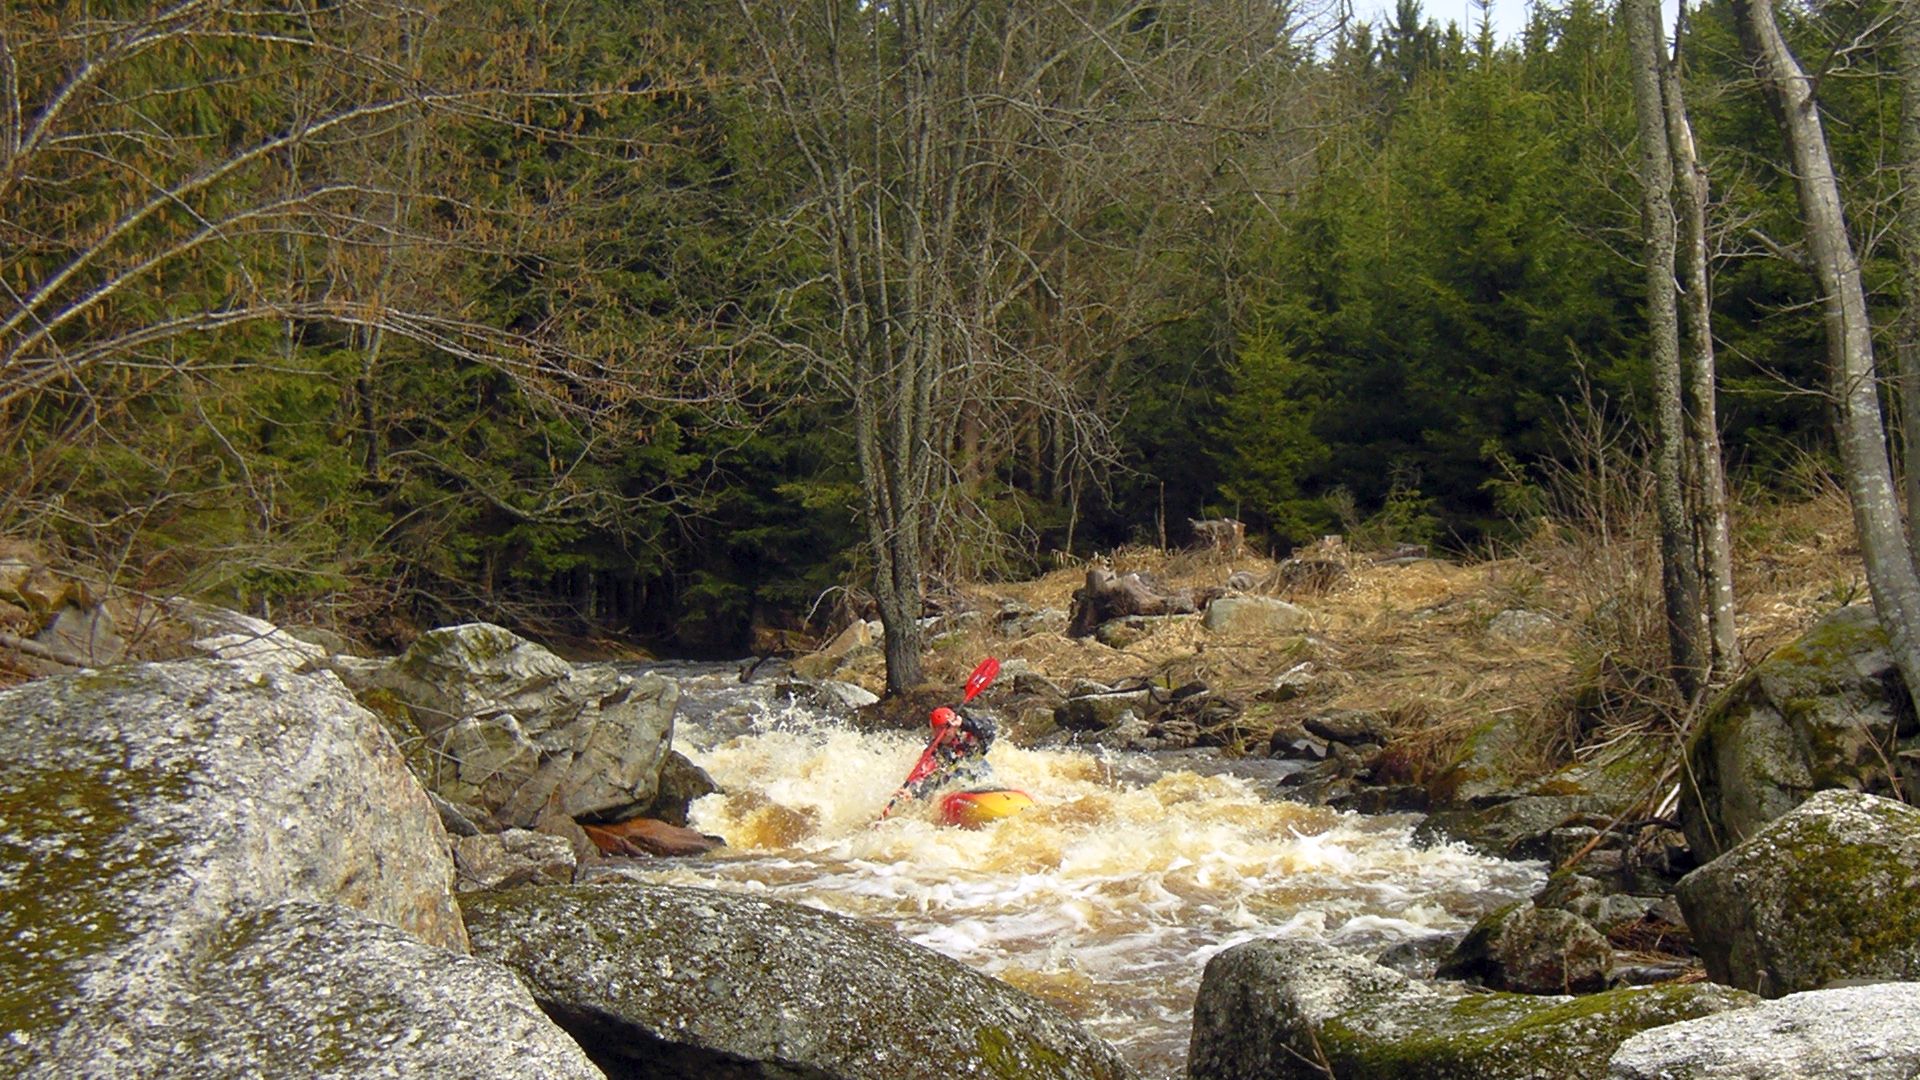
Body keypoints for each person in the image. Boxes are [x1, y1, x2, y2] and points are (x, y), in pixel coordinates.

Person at [880, 704, 998, 818]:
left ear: (955, 725)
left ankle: (991, 790)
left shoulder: (969, 735)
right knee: (933, 781)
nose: (945, 732)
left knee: (973, 763)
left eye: (948, 727)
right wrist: (910, 792)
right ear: (933, 730)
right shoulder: (933, 752)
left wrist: (964, 723)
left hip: (980, 774)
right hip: (956, 782)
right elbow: (920, 775)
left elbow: (991, 731)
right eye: (940, 728)